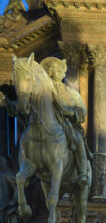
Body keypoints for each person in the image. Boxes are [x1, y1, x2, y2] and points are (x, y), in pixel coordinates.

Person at [40, 57, 89, 188]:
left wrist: (71, 112)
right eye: (54, 69)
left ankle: (82, 172)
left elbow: (82, 110)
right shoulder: (42, 91)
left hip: (67, 124)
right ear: (49, 71)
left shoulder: (72, 93)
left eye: (59, 69)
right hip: (44, 124)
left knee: (78, 141)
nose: (57, 71)